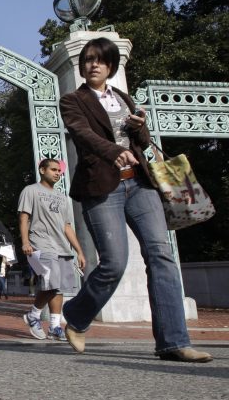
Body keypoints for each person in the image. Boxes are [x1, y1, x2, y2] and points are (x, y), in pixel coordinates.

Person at [58, 37, 211, 362]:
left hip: (140, 184)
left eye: (99, 60)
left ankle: (173, 342)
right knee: (114, 263)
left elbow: (143, 142)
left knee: (161, 255)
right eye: (88, 59)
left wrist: (140, 128)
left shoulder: (124, 98)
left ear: (111, 65)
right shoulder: (72, 100)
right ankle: (77, 315)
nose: (93, 64)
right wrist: (115, 151)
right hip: (102, 188)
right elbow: (82, 135)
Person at [18, 158, 86, 341]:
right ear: (42, 170)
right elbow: (24, 218)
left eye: (59, 171)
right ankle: (33, 315)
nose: (57, 173)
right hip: (39, 244)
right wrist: (25, 242)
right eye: (54, 170)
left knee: (59, 287)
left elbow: (67, 227)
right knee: (52, 281)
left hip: (62, 246)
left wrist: (79, 251)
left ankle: (55, 327)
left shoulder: (62, 197)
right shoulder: (30, 191)